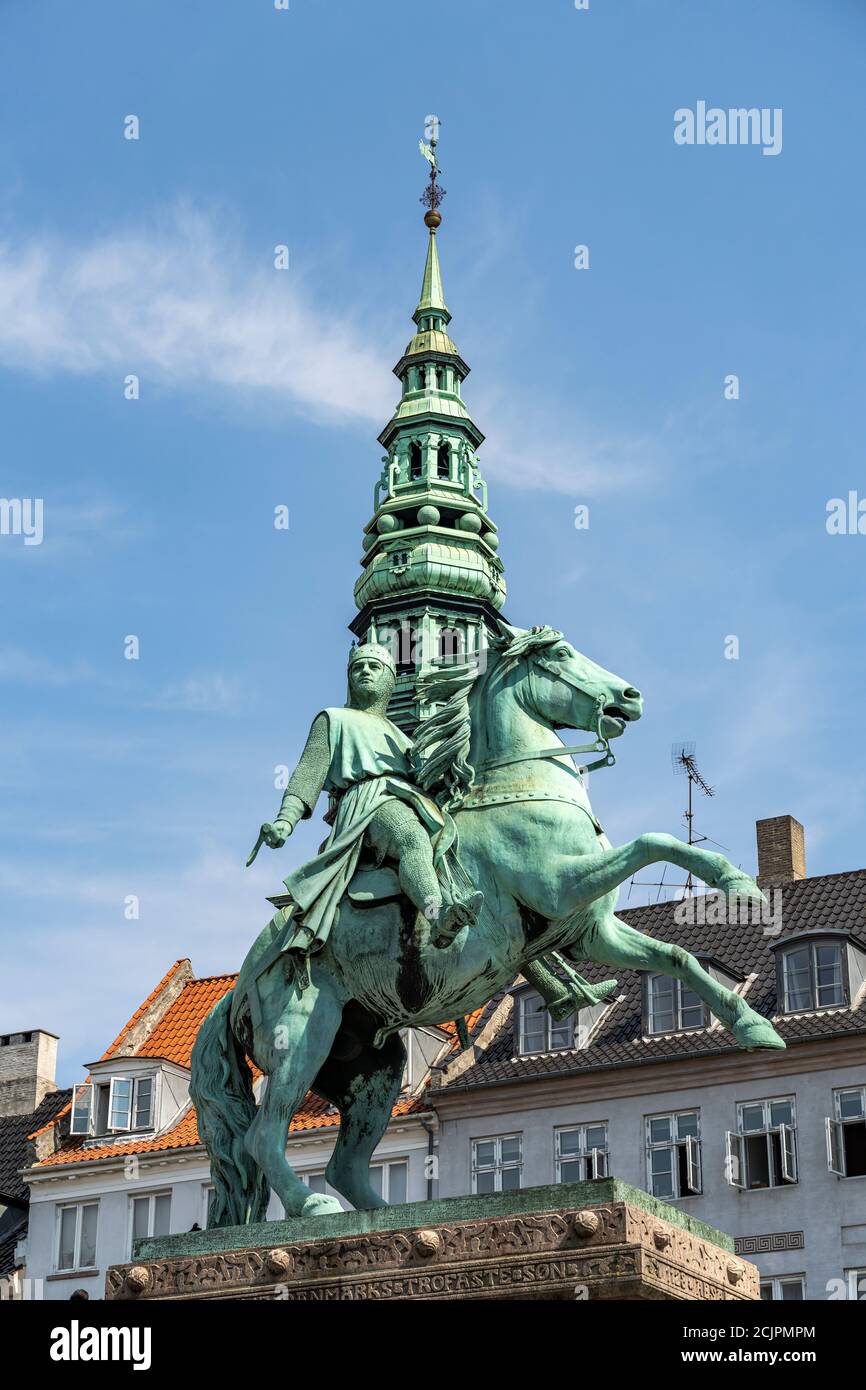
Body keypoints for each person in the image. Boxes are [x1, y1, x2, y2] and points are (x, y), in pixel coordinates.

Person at [251, 636, 482, 954]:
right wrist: (284, 823)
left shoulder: (400, 737)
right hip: (369, 800)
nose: (365, 672)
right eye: (357, 668)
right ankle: (438, 915)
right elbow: (307, 776)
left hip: (408, 798)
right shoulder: (333, 719)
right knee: (412, 838)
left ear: (390, 679)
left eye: (374, 667)